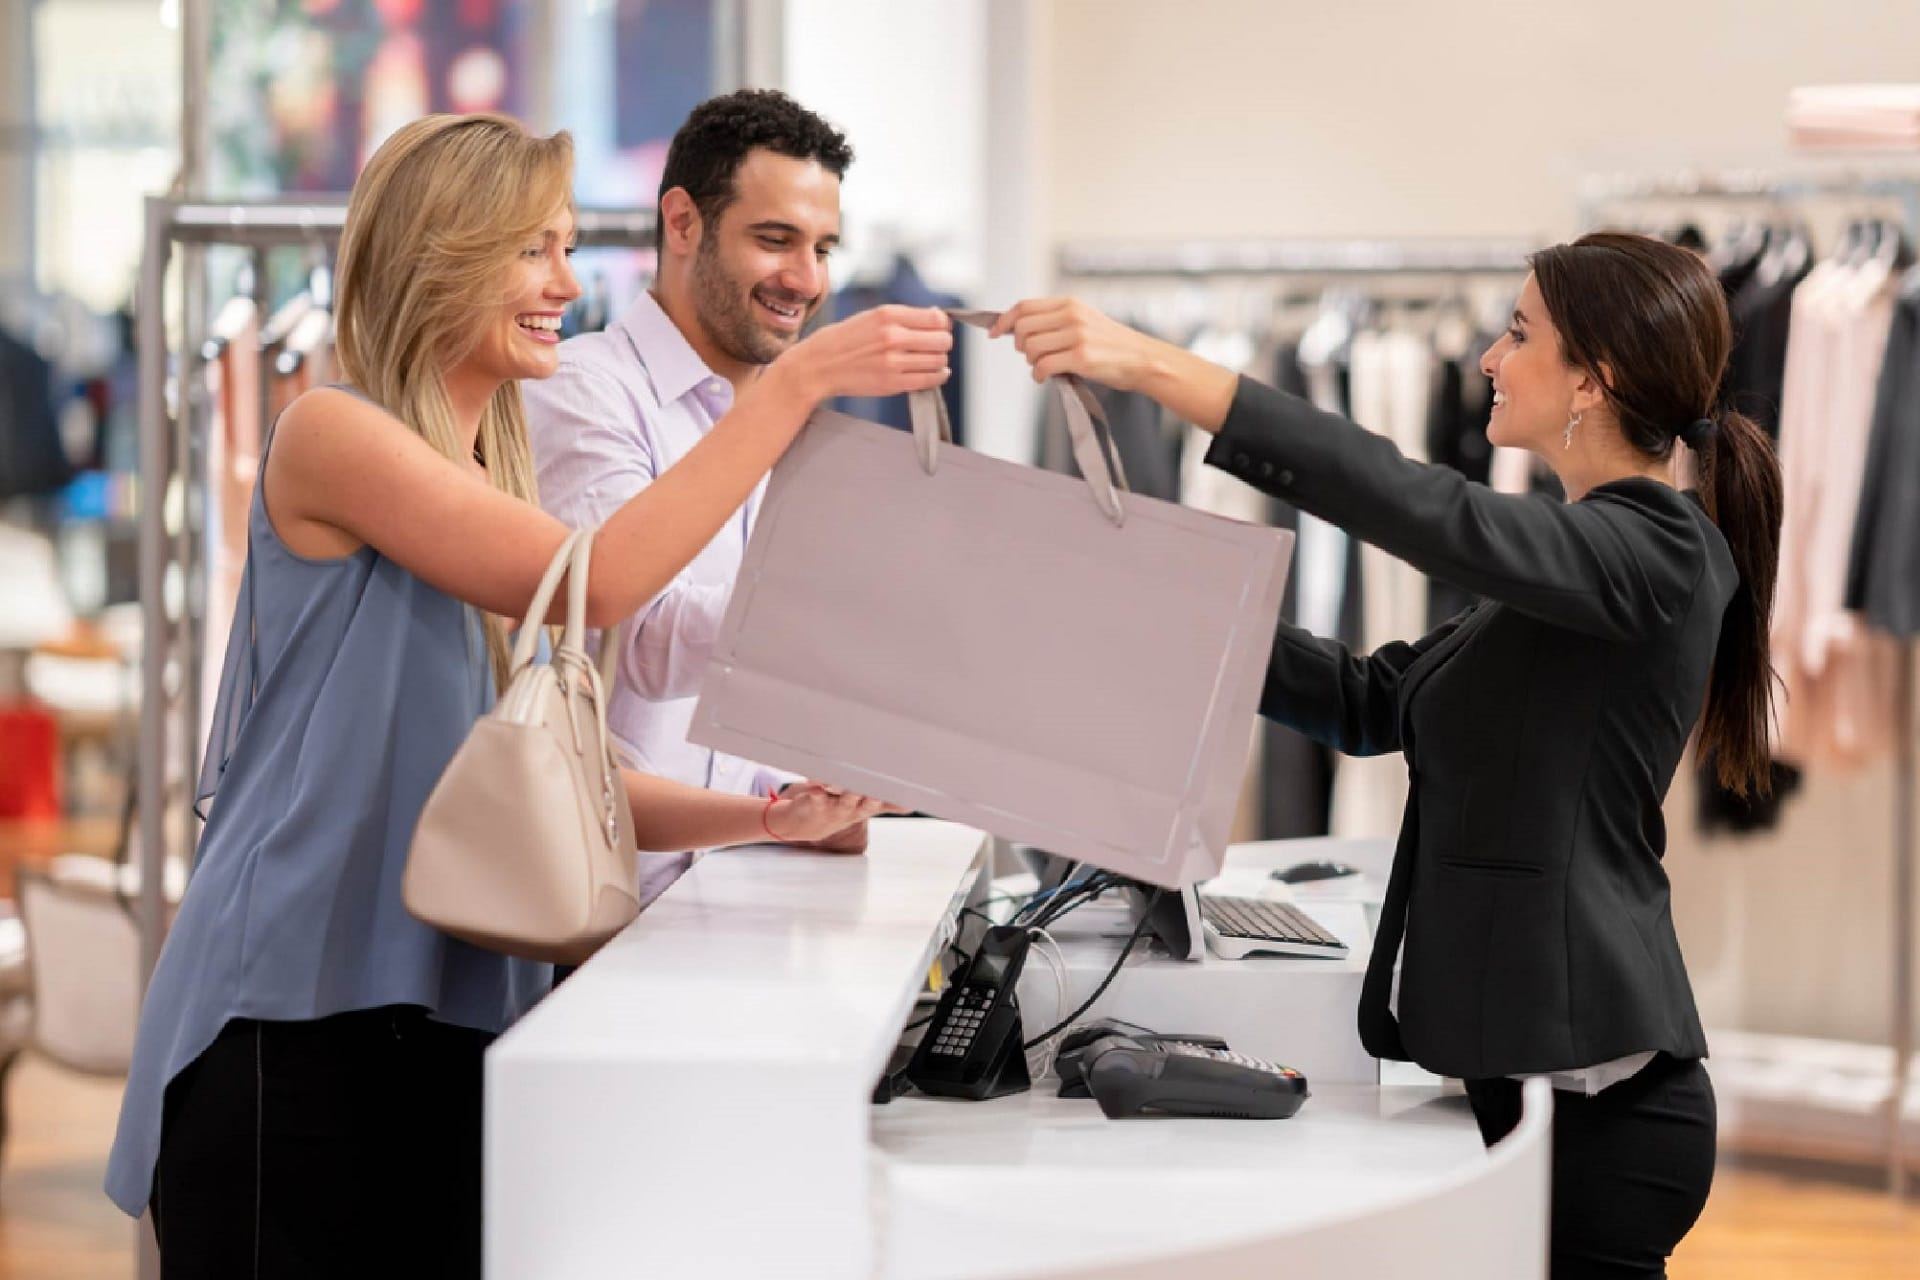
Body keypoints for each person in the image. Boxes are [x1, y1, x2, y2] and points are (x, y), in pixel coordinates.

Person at [104, 113, 951, 1278]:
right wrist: (794, 385)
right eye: (533, 251)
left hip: (449, 1025)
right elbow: (600, 584)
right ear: (441, 254)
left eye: (563, 248)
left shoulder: (490, 476)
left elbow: (551, 778)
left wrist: (767, 817)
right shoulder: (332, 435)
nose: (566, 282)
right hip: (295, 1024)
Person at [994, 232, 1782, 1280]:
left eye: (1517, 334)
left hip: (1606, 1107)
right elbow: (1372, 701)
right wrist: (1156, 599)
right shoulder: (1578, 563)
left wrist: (1154, 365)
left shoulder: (1662, 552)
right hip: (1533, 1083)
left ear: (1593, 378)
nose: (1491, 361)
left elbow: (1429, 510)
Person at [525, 91, 855, 883]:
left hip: (723, 890)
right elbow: (637, 642)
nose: (805, 279)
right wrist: (839, 616)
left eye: (823, 247)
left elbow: (716, 723)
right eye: (775, 240)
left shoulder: (774, 417)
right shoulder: (581, 390)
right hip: (604, 915)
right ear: (682, 224)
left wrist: (797, 797)